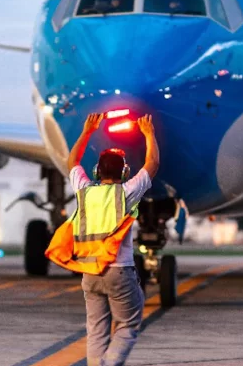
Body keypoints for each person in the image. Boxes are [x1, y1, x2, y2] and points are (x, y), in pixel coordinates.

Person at [46, 113, 160, 366]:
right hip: (119, 272)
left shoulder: (84, 192)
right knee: (129, 323)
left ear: (97, 171)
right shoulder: (127, 192)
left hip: (89, 273)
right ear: (124, 172)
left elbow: (71, 161)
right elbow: (152, 163)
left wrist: (87, 130)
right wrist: (148, 133)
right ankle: (108, 364)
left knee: (96, 330)